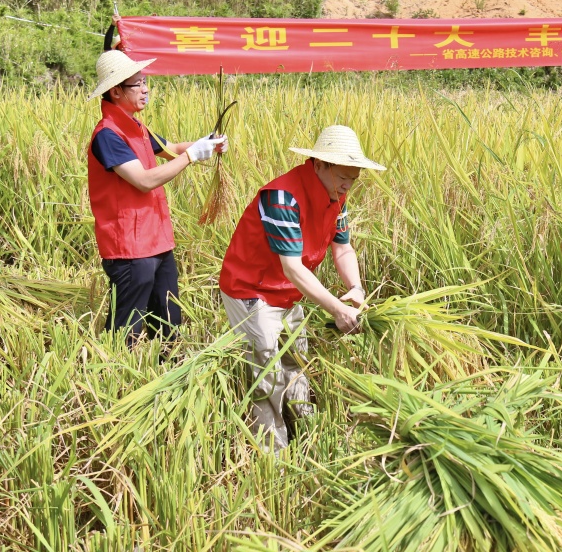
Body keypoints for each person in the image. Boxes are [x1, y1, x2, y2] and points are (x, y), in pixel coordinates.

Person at [219, 124, 386, 450]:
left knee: (296, 360)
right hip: (253, 290)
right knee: (266, 371)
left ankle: (308, 435)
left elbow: (343, 248)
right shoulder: (282, 198)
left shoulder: (337, 196)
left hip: (290, 291)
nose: (348, 185)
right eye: (343, 176)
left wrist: (356, 288)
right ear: (319, 164)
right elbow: (292, 267)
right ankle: (274, 456)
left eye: (355, 177)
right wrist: (337, 309)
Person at [87, 49, 228, 346]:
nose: (145, 88)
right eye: (137, 84)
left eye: (144, 81)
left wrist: (207, 144)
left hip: (158, 241)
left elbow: (171, 148)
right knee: (128, 331)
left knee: (168, 322)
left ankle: (167, 375)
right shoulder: (108, 135)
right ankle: (119, 382)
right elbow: (143, 180)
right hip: (129, 247)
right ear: (115, 92)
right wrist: (192, 156)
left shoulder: (136, 127)